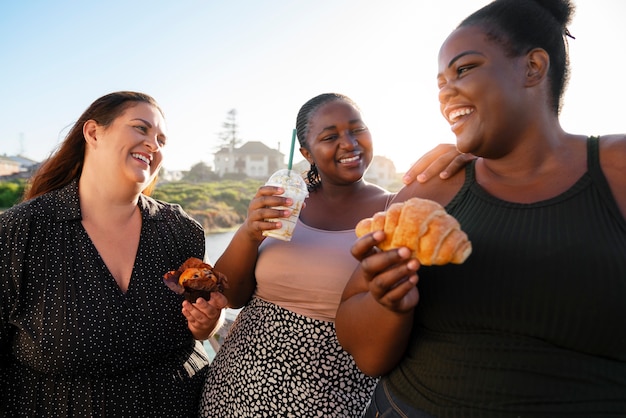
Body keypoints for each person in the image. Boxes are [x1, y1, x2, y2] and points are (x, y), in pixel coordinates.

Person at [335, 0, 626, 416]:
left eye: (464, 68)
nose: (445, 91)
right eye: (439, 82)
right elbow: (365, 355)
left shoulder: (615, 168)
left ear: (533, 67)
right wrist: (389, 301)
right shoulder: (432, 188)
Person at [198, 93, 468, 417]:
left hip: (331, 394)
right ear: (306, 153)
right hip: (234, 382)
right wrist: (248, 232)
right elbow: (229, 295)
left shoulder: (395, 211)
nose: (349, 143)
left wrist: (467, 151)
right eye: (330, 136)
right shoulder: (286, 203)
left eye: (357, 130)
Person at [0, 91, 227, 417]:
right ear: (93, 133)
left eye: (161, 139)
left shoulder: (182, 231)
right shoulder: (20, 232)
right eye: (141, 129)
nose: (154, 144)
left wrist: (209, 322)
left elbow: (197, 325)